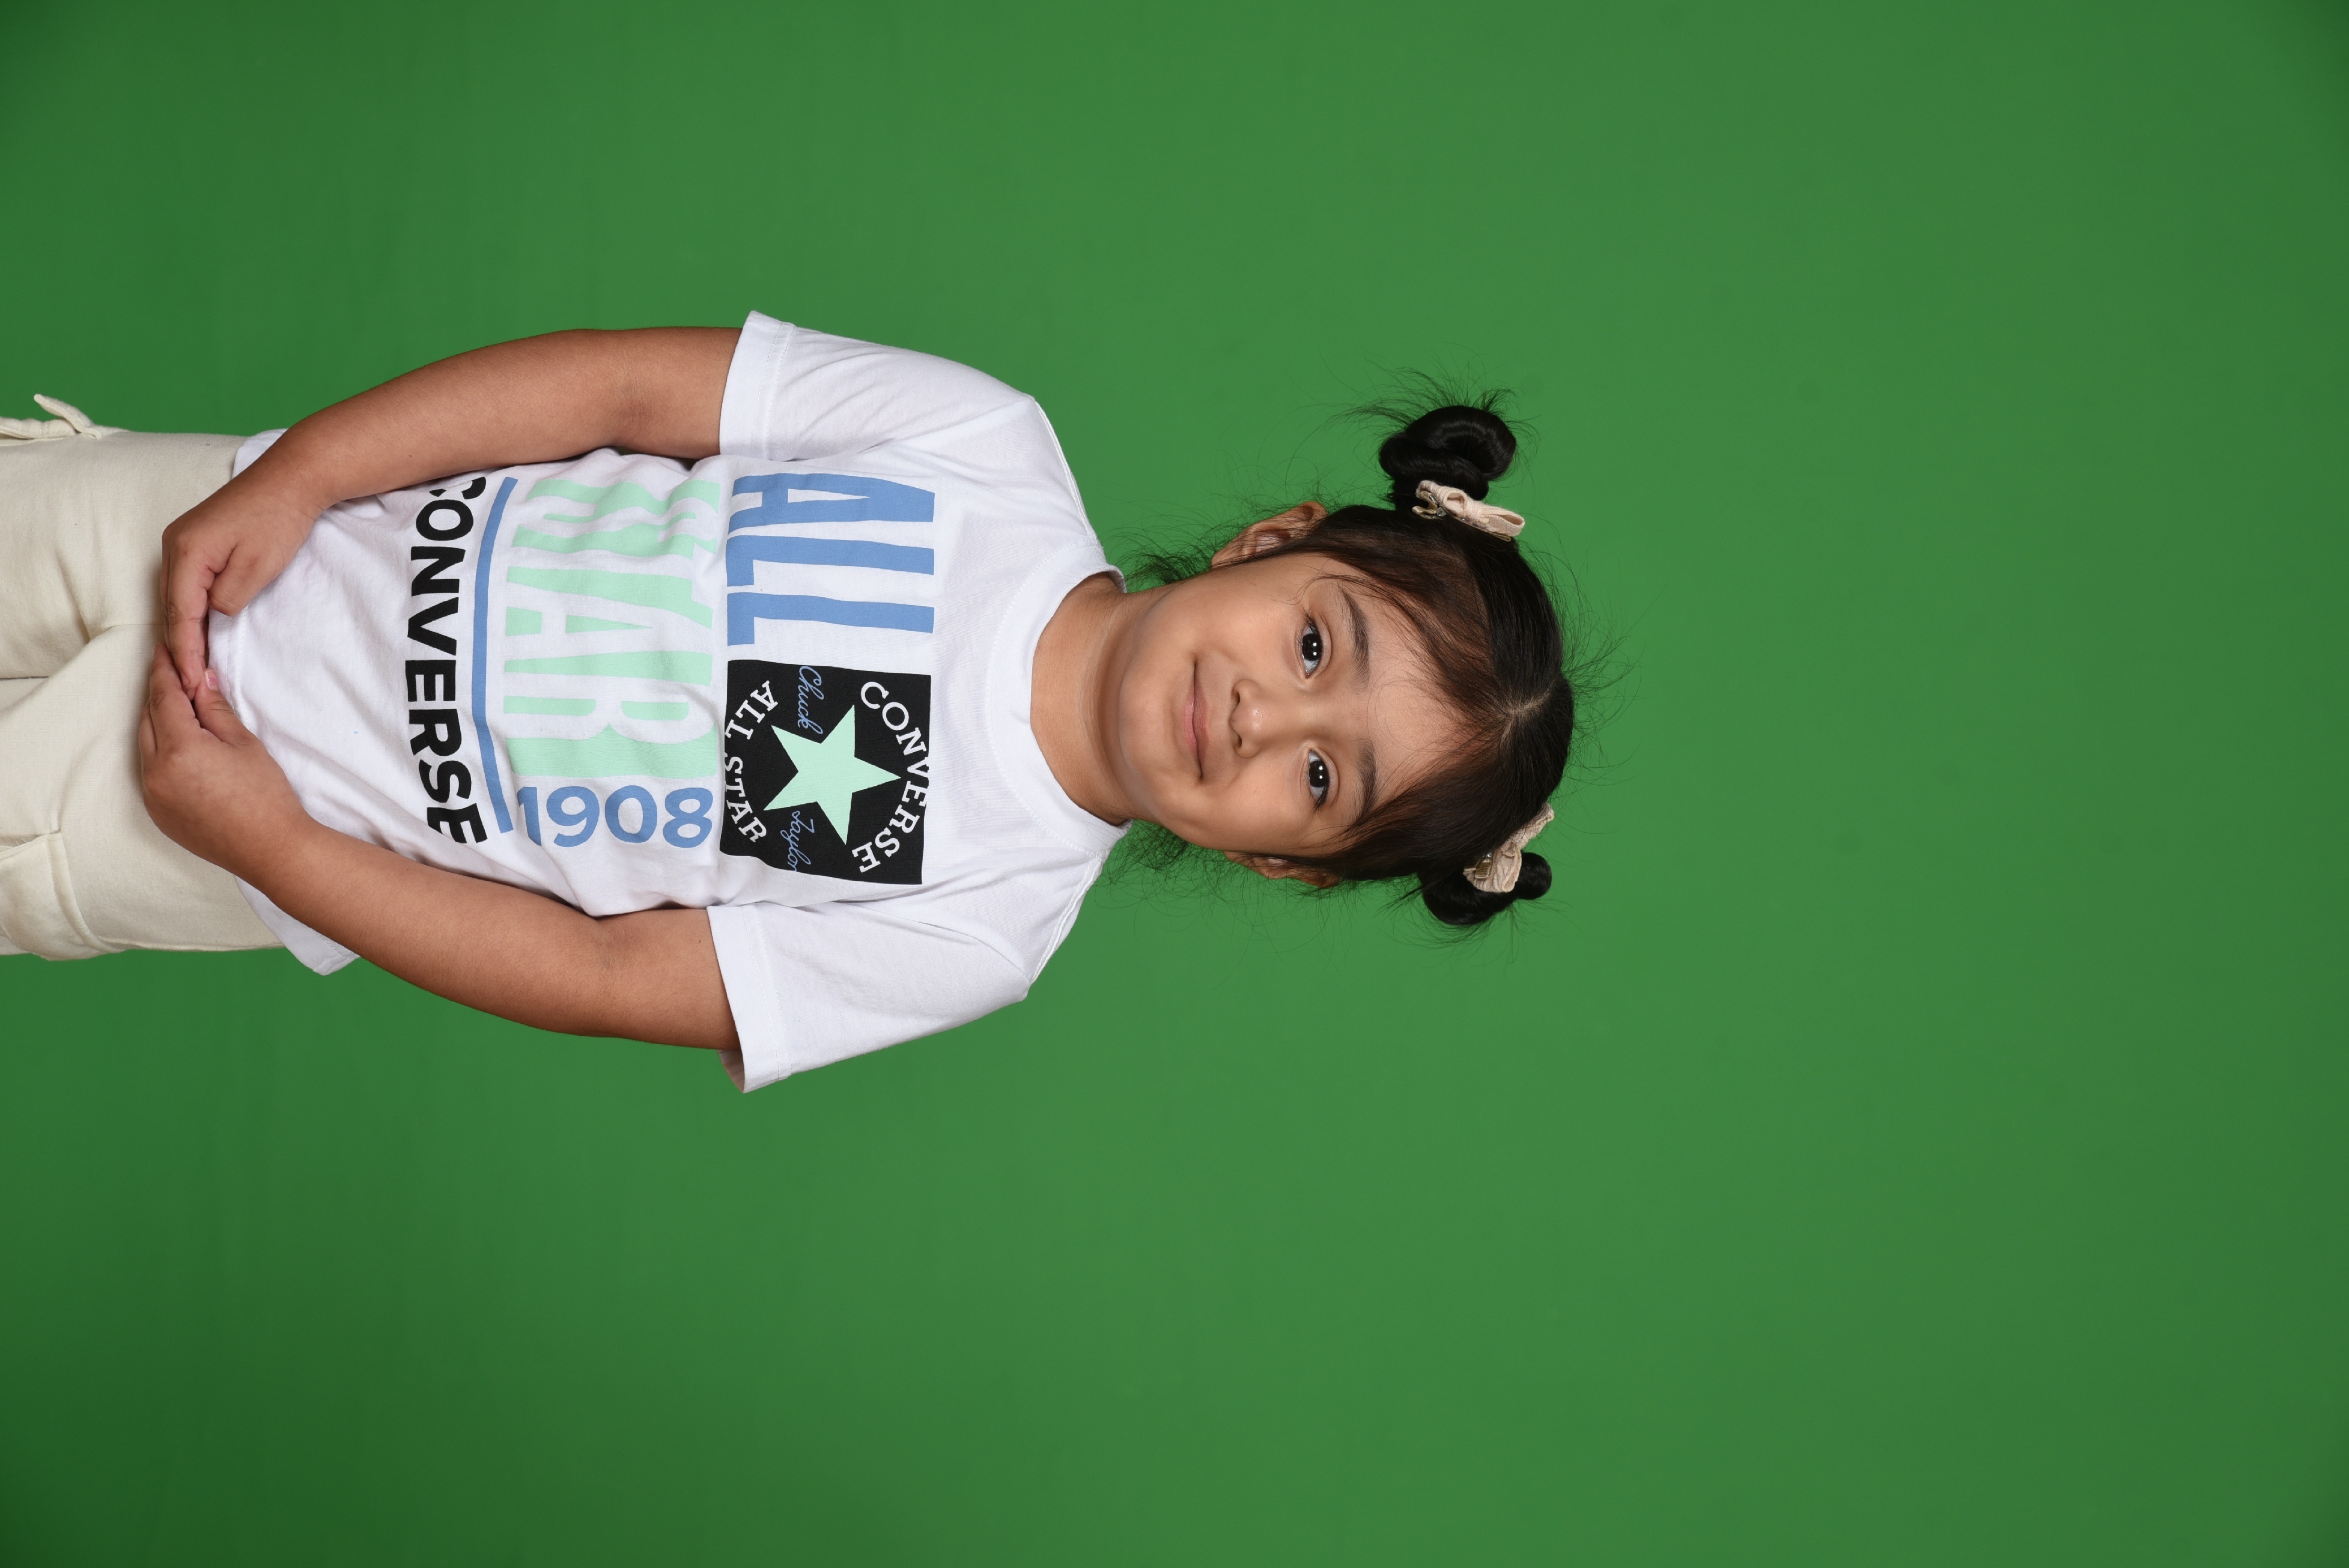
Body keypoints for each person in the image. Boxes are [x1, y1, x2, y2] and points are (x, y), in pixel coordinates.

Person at [0, 315, 1581, 1090]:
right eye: (1313, 648)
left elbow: (604, 970)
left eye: (1324, 781)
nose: (1259, 722)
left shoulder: (986, 926)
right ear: (1274, 542)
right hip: (236, 521)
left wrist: (275, 850)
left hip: (223, 810)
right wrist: (303, 473)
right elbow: (619, 391)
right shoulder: (984, 447)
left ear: (1283, 862)